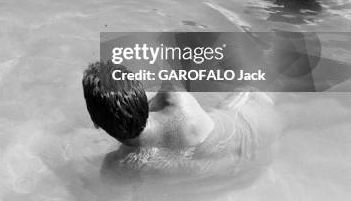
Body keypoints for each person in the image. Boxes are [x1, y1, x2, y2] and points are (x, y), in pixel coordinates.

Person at [82, 61, 280, 175]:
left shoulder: (118, 166)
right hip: (253, 119)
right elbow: (174, 65)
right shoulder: (176, 99)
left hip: (240, 158)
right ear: (141, 93)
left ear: (95, 124)